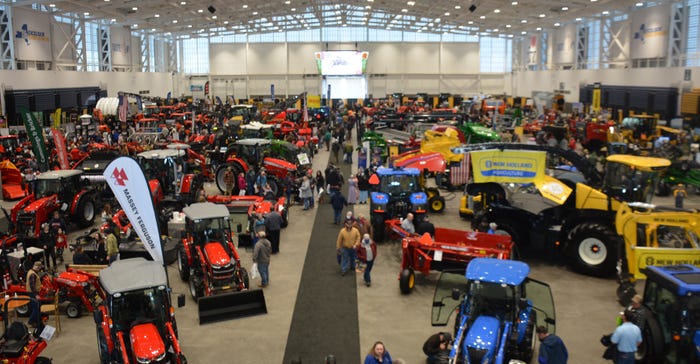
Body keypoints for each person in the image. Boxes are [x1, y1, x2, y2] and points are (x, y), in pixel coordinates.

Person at [26, 261, 44, 329]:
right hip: (33, 293)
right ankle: (30, 321)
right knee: (36, 308)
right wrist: (36, 295)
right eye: (39, 268)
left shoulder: (30, 271)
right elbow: (32, 286)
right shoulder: (32, 274)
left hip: (32, 293)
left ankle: (36, 321)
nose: (40, 269)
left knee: (35, 307)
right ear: (38, 267)